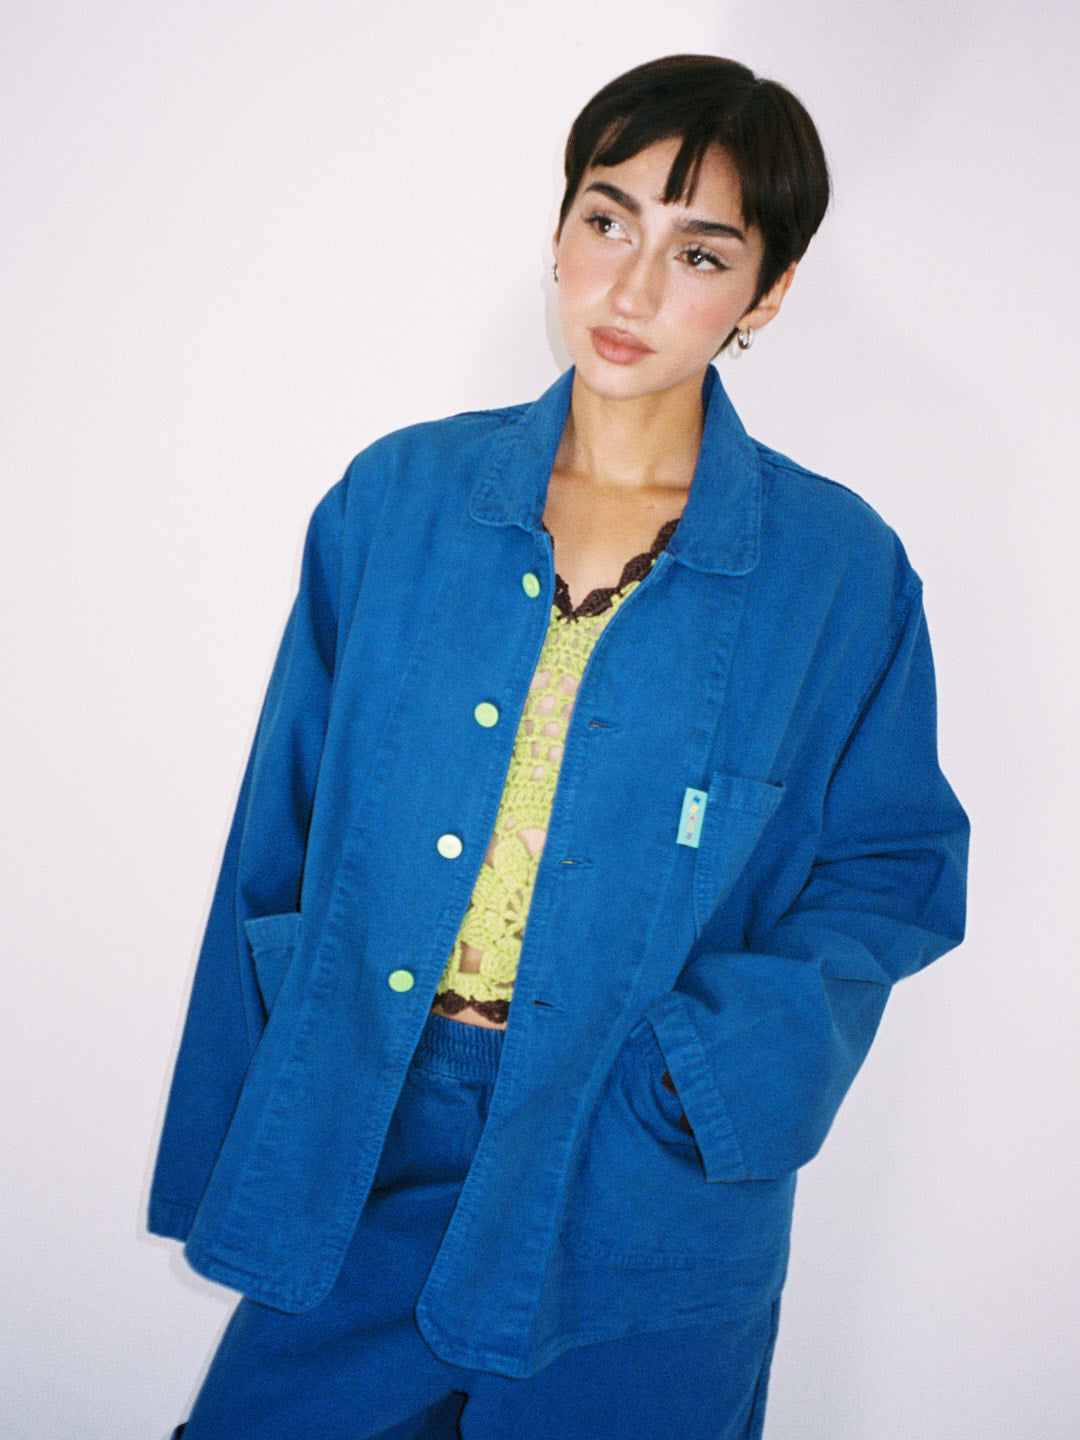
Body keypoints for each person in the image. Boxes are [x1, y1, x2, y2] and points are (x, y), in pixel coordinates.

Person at [151, 55, 968, 1440]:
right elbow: (276, 828)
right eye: (607, 221)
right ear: (559, 230)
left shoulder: (838, 569)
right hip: (370, 1119)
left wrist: (703, 1077)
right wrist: (247, 1131)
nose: (631, 289)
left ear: (767, 294)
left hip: (635, 1165)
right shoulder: (397, 502)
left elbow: (894, 865)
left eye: (698, 252)